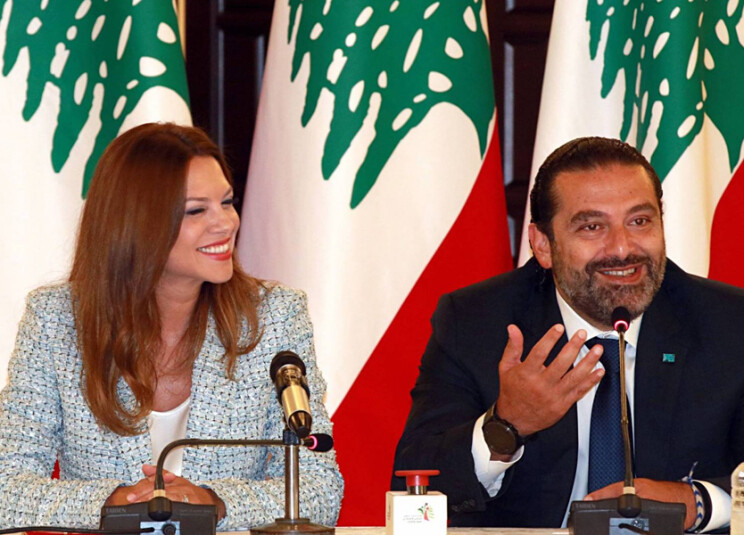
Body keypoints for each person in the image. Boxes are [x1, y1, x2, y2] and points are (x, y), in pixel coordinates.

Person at [0, 123, 343, 531]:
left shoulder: (274, 317)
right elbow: (7, 489)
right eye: (197, 210)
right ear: (135, 223)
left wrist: (214, 503)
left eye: (227, 202)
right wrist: (117, 503)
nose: (226, 223)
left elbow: (320, 488)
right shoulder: (55, 320)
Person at [392, 136, 744, 532]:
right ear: (543, 245)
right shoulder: (477, 321)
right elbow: (416, 483)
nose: (623, 248)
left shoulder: (729, 324)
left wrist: (699, 502)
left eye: (639, 221)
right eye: (592, 227)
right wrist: (507, 425)